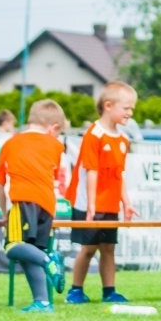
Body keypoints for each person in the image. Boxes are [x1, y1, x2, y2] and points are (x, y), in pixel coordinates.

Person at [64, 81, 139, 304]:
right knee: (88, 248)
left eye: (132, 108)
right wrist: (91, 206)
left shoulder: (124, 139)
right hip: (88, 202)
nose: (130, 113)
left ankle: (109, 291)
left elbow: (119, 175)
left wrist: (126, 203)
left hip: (110, 205)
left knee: (108, 248)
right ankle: (75, 290)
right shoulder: (94, 134)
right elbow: (92, 172)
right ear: (108, 105)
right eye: (126, 108)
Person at [0, 100, 66, 312]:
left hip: (23, 200)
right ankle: (42, 302)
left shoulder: (11, 143)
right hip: (47, 206)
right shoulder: (57, 146)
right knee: (31, 251)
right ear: (54, 127)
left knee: (12, 246)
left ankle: (48, 259)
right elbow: (53, 175)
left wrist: (4, 210)